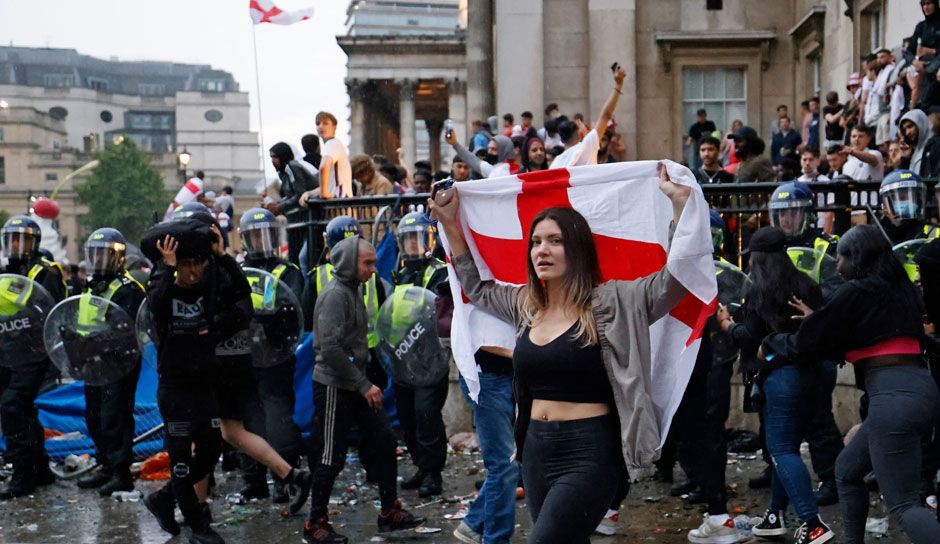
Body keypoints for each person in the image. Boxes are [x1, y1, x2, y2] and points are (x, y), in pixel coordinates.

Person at [432, 166, 725, 544]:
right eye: (536, 241)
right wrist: (450, 223)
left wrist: (680, 207)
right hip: (536, 451)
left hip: (589, 452)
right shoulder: (526, 305)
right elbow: (476, 286)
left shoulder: (613, 302)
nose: (542, 249)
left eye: (554, 240)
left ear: (577, 249)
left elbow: (675, 280)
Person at [763, 225, 940, 544]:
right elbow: (849, 333)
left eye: (840, 257)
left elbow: (808, 344)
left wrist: (770, 342)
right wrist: (819, 320)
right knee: (846, 470)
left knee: (903, 504)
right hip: (918, 390)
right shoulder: (900, 291)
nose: (836, 264)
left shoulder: (856, 291)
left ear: (855, 257)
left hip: (892, 398)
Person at [716, 227, 834, 544]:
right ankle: (774, 515)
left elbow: (749, 336)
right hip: (812, 374)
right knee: (788, 448)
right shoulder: (807, 285)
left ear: (759, 259)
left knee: (781, 450)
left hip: (782, 377)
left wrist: (727, 325)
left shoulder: (761, 291)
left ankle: (813, 523)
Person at [304, 236, 423, 543]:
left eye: (373, 262)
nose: (373, 269)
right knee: (331, 455)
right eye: (367, 263)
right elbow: (329, 348)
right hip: (335, 385)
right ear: (348, 263)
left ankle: (389, 511)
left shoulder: (353, 289)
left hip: (356, 382)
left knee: (384, 441)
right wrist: (363, 384)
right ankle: (315, 523)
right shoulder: (335, 295)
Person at [144, 224, 252, 544]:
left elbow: (243, 301)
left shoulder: (209, 289)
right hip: (174, 389)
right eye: (186, 265)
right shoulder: (164, 289)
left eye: (197, 264)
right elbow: (155, 306)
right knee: (180, 462)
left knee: (210, 451)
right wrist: (169, 269)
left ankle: (163, 498)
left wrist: (224, 257)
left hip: (205, 387)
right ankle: (199, 527)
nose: (192, 272)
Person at [229, 208, 310, 509]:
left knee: (278, 418)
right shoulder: (236, 271)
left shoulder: (288, 272)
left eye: (266, 236)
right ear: (245, 240)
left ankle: (283, 479)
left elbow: (295, 311)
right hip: (243, 358)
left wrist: (268, 319)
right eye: (255, 237)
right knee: (248, 420)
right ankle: (253, 480)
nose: (261, 243)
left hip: (276, 356)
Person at [73, 228, 146, 496]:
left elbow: (125, 332)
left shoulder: (127, 289)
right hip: (92, 362)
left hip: (118, 364)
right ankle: (105, 463)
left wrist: (95, 342)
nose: (99, 261)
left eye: (105, 255)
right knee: (94, 415)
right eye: (95, 255)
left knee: (114, 416)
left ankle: (121, 472)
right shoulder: (90, 286)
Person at [0, 216, 67, 500]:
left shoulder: (45, 272)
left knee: (13, 406)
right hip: (9, 353)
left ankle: (23, 475)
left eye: (23, 239)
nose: (17, 245)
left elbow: (47, 311)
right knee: (22, 409)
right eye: (12, 239)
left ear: (35, 243)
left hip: (34, 352)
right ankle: (39, 468)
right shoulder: (6, 272)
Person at [390, 213, 450, 498]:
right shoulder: (400, 273)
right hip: (404, 357)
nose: (413, 244)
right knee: (407, 416)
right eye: (408, 239)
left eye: (418, 238)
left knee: (427, 415)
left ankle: (432, 473)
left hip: (430, 357)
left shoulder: (439, 271)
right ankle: (420, 465)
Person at [551, 65, 626, 169]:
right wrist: (619, 84)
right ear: (580, 134)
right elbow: (606, 116)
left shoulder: (555, 163)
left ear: (562, 140)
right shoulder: (585, 147)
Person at [265, 142, 319, 266]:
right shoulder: (283, 172)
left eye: (275, 157)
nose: (273, 161)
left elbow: (299, 194)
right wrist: (275, 205)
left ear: (283, 156)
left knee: (300, 259)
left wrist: (279, 207)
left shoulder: (292, 167)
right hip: (295, 222)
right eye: (271, 157)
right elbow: (289, 196)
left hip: (305, 220)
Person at [879, 169, 937, 247]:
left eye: (913, 198)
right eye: (902, 198)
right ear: (885, 206)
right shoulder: (875, 236)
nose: (909, 202)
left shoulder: (934, 233)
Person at [310, 112, 352, 199]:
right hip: (341, 200)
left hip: (339, 200)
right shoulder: (334, 144)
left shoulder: (332, 144)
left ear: (334, 127)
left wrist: (323, 193)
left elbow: (323, 167)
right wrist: (309, 193)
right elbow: (329, 186)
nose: (321, 126)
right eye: (318, 123)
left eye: (325, 123)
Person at [447, 130, 517, 178]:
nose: (489, 152)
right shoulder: (493, 168)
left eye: (493, 149)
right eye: (488, 148)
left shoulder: (509, 172)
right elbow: (472, 160)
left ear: (504, 151)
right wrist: (455, 144)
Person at [900, 109, 930, 175]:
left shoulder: (934, 147)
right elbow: (905, 178)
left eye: (910, 126)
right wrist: (905, 159)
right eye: (904, 130)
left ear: (920, 124)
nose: (907, 132)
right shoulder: (914, 152)